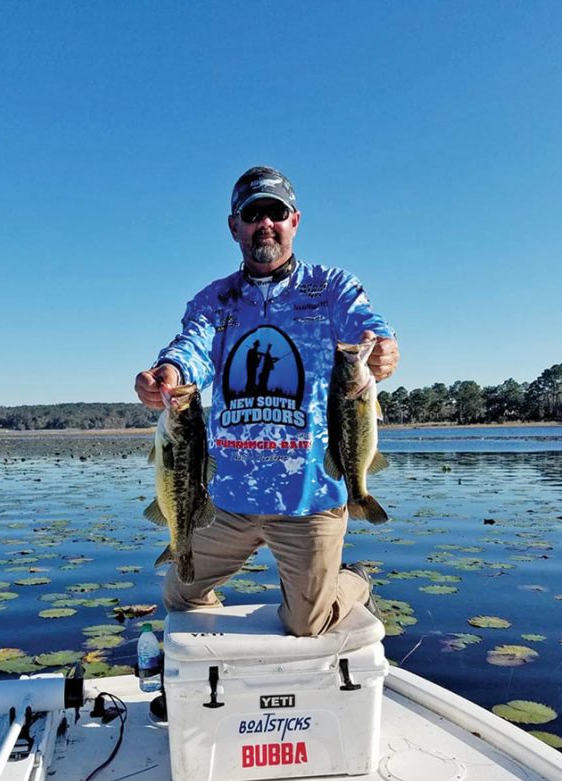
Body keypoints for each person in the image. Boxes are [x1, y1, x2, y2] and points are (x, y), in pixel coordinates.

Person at [135, 166, 399, 637]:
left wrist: (380, 348)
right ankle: (219, 659)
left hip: (308, 496)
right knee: (181, 595)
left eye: (274, 213)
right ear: (234, 226)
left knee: (307, 624)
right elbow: (190, 347)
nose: (264, 224)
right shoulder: (215, 300)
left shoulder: (330, 286)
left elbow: (369, 327)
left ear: (294, 220)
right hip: (225, 500)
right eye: (252, 214)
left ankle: (353, 582)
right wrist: (168, 373)